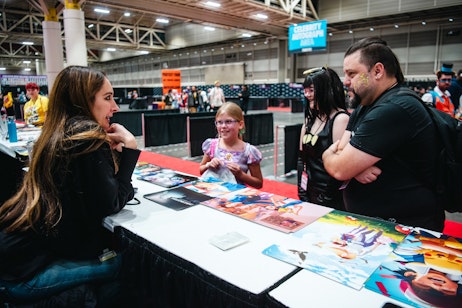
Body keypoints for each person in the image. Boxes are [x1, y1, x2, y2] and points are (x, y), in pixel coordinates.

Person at [0, 66, 140, 306]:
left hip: (11, 260)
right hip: (20, 278)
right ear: (84, 101)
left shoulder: (55, 135)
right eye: (107, 98)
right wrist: (131, 149)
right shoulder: (87, 138)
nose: (115, 107)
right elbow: (111, 202)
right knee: (128, 265)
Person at [322, 37, 445, 232]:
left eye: (352, 74)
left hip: (404, 231)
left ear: (378, 71)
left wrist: (329, 155)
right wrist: (352, 165)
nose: (346, 81)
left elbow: (339, 168)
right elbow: (342, 152)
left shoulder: (396, 108)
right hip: (375, 226)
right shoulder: (366, 105)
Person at [298, 67, 349, 210]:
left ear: (326, 89)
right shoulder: (309, 122)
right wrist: (302, 191)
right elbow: (302, 160)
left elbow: (341, 166)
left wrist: (326, 198)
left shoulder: (341, 119)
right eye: (305, 90)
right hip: (310, 192)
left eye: (312, 90)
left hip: (333, 198)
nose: (307, 94)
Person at [199, 102, 263, 188]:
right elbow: (201, 170)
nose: (223, 126)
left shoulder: (248, 151)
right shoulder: (212, 145)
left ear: (240, 125)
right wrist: (208, 165)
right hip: (213, 193)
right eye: (219, 122)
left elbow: (259, 183)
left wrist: (240, 174)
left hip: (235, 197)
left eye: (228, 122)